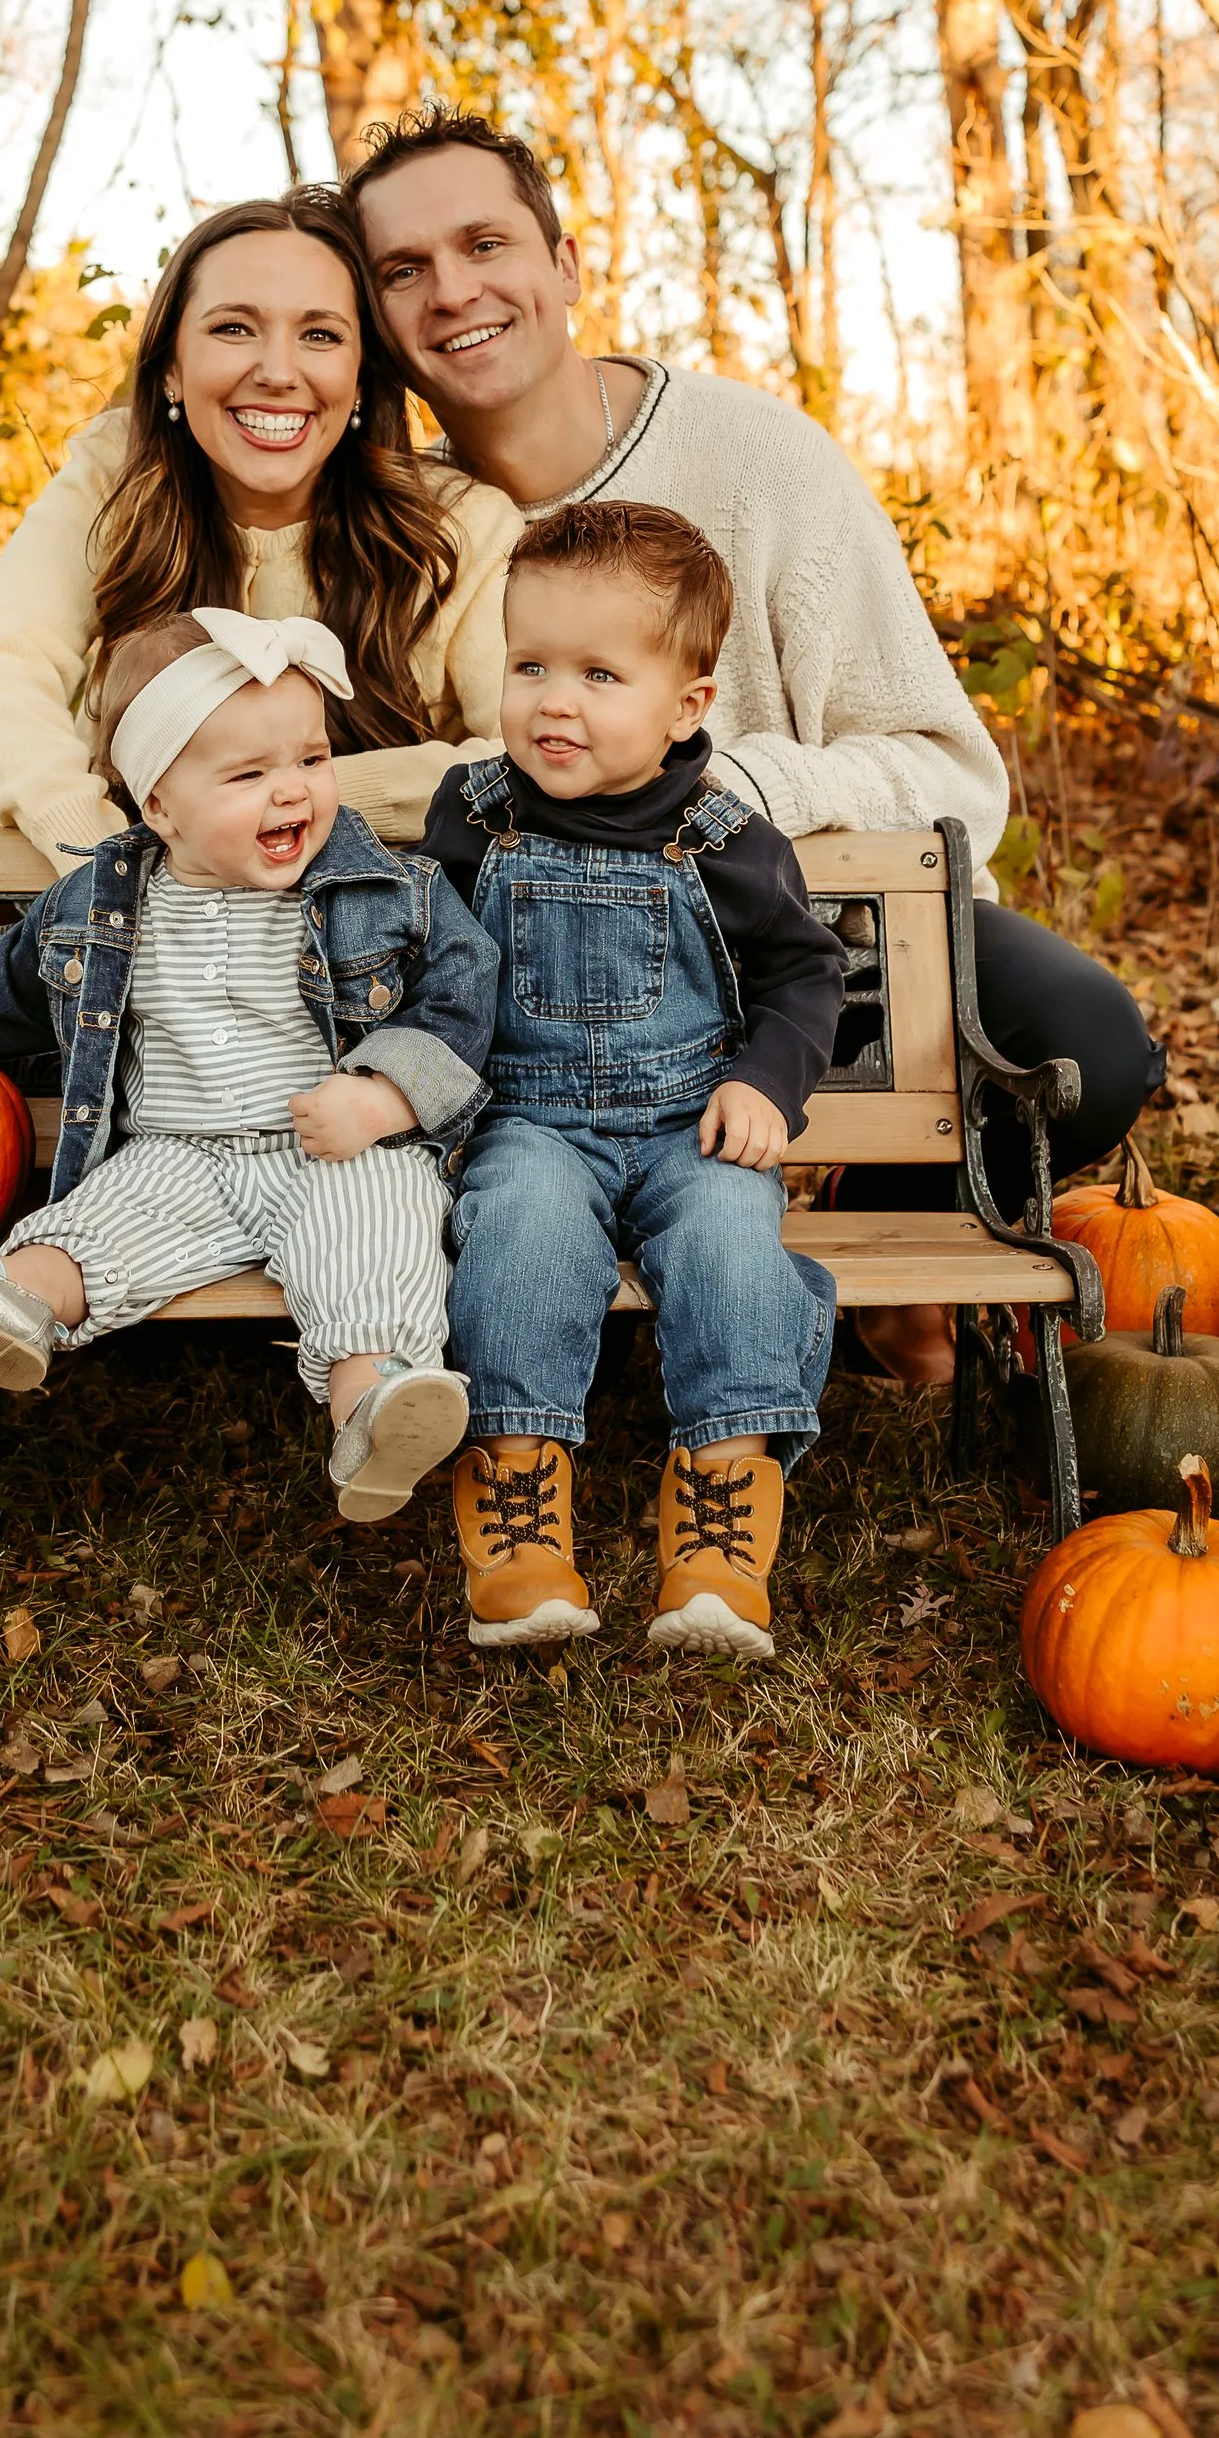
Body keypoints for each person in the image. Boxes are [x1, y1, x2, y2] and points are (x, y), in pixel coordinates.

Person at [345, 108, 1163, 1239]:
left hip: (819, 938)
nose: (450, 291)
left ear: (564, 265)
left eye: (485, 245)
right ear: (379, 323)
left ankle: (896, 1217)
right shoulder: (398, 536)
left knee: (1091, 1045)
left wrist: (730, 791)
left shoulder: (759, 460)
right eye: (404, 269)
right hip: (546, 990)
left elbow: (953, 777)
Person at [0, 609, 497, 1525]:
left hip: (337, 1150)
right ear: (159, 807)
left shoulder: (387, 887)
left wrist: (383, 1097)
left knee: (375, 1238)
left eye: (311, 760)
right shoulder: (100, 901)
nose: (293, 792)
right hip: (179, 1159)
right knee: (92, 1230)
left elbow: (464, 991)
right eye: (249, 774)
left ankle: (373, 1413)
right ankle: (14, 1304)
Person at [424, 502, 849, 1663]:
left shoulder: (726, 841)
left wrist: (767, 1082)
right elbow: (433, 968)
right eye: (530, 665)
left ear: (686, 707)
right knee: (518, 1231)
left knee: (729, 1238)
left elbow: (807, 974)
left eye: (599, 674)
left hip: (685, 1122)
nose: (553, 701)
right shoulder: (471, 819)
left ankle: (720, 1511)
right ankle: (519, 1505)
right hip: (531, 1118)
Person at [0, 190, 517, 864]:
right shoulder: (115, 477)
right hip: (138, 918)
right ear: (172, 368)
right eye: (234, 328)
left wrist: (271, 801)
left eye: (320, 335)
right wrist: (103, 860)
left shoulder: (461, 527)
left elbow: (526, 753)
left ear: (360, 379)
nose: (276, 372)